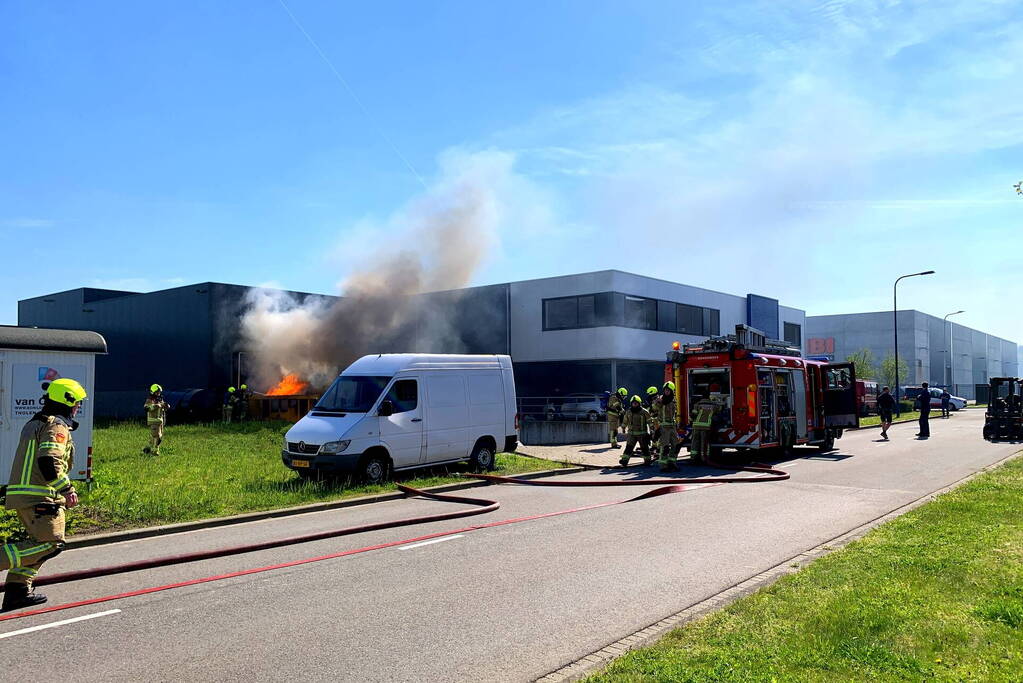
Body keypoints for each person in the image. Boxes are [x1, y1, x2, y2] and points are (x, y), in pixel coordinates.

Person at [1, 378, 85, 612]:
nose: (78, 407)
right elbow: (49, 460)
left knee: (37, 545)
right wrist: (67, 489)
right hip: (40, 496)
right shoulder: (56, 426)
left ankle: (17, 592)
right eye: (77, 402)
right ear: (67, 401)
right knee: (51, 544)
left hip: (24, 495)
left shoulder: (36, 422)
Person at [619, 395, 652, 466]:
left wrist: (652, 430)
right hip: (631, 434)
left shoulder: (644, 412)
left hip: (642, 434)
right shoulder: (628, 412)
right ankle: (624, 460)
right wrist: (623, 428)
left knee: (644, 448)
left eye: (636, 403)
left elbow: (649, 421)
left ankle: (647, 461)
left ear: (639, 403)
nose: (634, 404)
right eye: (633, 403)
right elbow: (625, 420)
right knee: (628, 448)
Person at [655, 381, 680, 472]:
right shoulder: (660, 399)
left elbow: (675, 412)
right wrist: (658, 402)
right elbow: (655, 408)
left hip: (672, 426)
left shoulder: (673, 400)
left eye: (668, 390)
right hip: (664, 427)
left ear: (672, 391)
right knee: (664, 447)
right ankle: (663, 465)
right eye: (665, 390)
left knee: (676, 445)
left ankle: (672, 463)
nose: (666, 392)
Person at [689, 393, 721, 464]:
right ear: (709, 397)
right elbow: (719, 410)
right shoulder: (713, 406)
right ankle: (704, 458)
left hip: (696, 426)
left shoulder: (697, 405)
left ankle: (693, 457)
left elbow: (693, 415)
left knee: (695, 442)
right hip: (706, 427)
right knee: (704, 443)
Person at [142, 384, 169, 455]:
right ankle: (155, 451)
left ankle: (147, 449)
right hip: (153, 421)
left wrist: (166, 406)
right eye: (157, 392)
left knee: (157, 436)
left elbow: (162, 408)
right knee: (157, 436)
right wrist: (157, 406)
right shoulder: (150, 400)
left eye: (159, 392)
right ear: (153, 392)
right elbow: (146, 408)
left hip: (160, 421)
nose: (159, 393)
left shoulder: (160, 399)